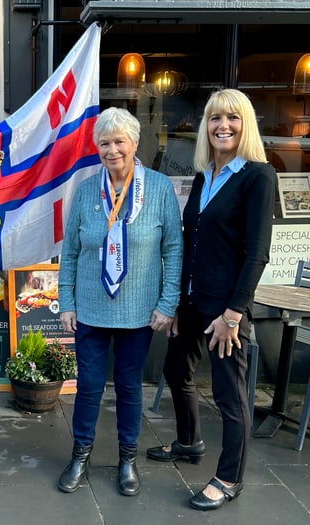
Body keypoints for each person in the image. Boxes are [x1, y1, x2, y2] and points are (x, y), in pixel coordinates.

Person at [146, 89, 277, 511]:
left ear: (246, 124)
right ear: (205, 125)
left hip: (226, 309)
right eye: (215, 117)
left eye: (233, 118)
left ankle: (229, 477)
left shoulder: (258, 175)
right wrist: (181, 303)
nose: (223, 125)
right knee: (175, 369)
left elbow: (257, 253)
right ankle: (189, 442)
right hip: (194, 301)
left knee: (229, 394)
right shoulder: (204, 176)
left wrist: (234, 314)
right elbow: (192, 241)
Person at [57, 107, 183, 496]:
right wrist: (66, 301)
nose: (112, 150)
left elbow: (174, 249)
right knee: (90, 386)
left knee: (130, 387)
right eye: (104, 143)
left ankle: (127, 459)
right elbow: (71, 252)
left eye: (119, 142)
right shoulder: (85, 191)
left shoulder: (160, 189)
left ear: (135, 143)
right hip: (92, 308)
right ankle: (80, 454)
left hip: (139, 312)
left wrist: (168, 302)